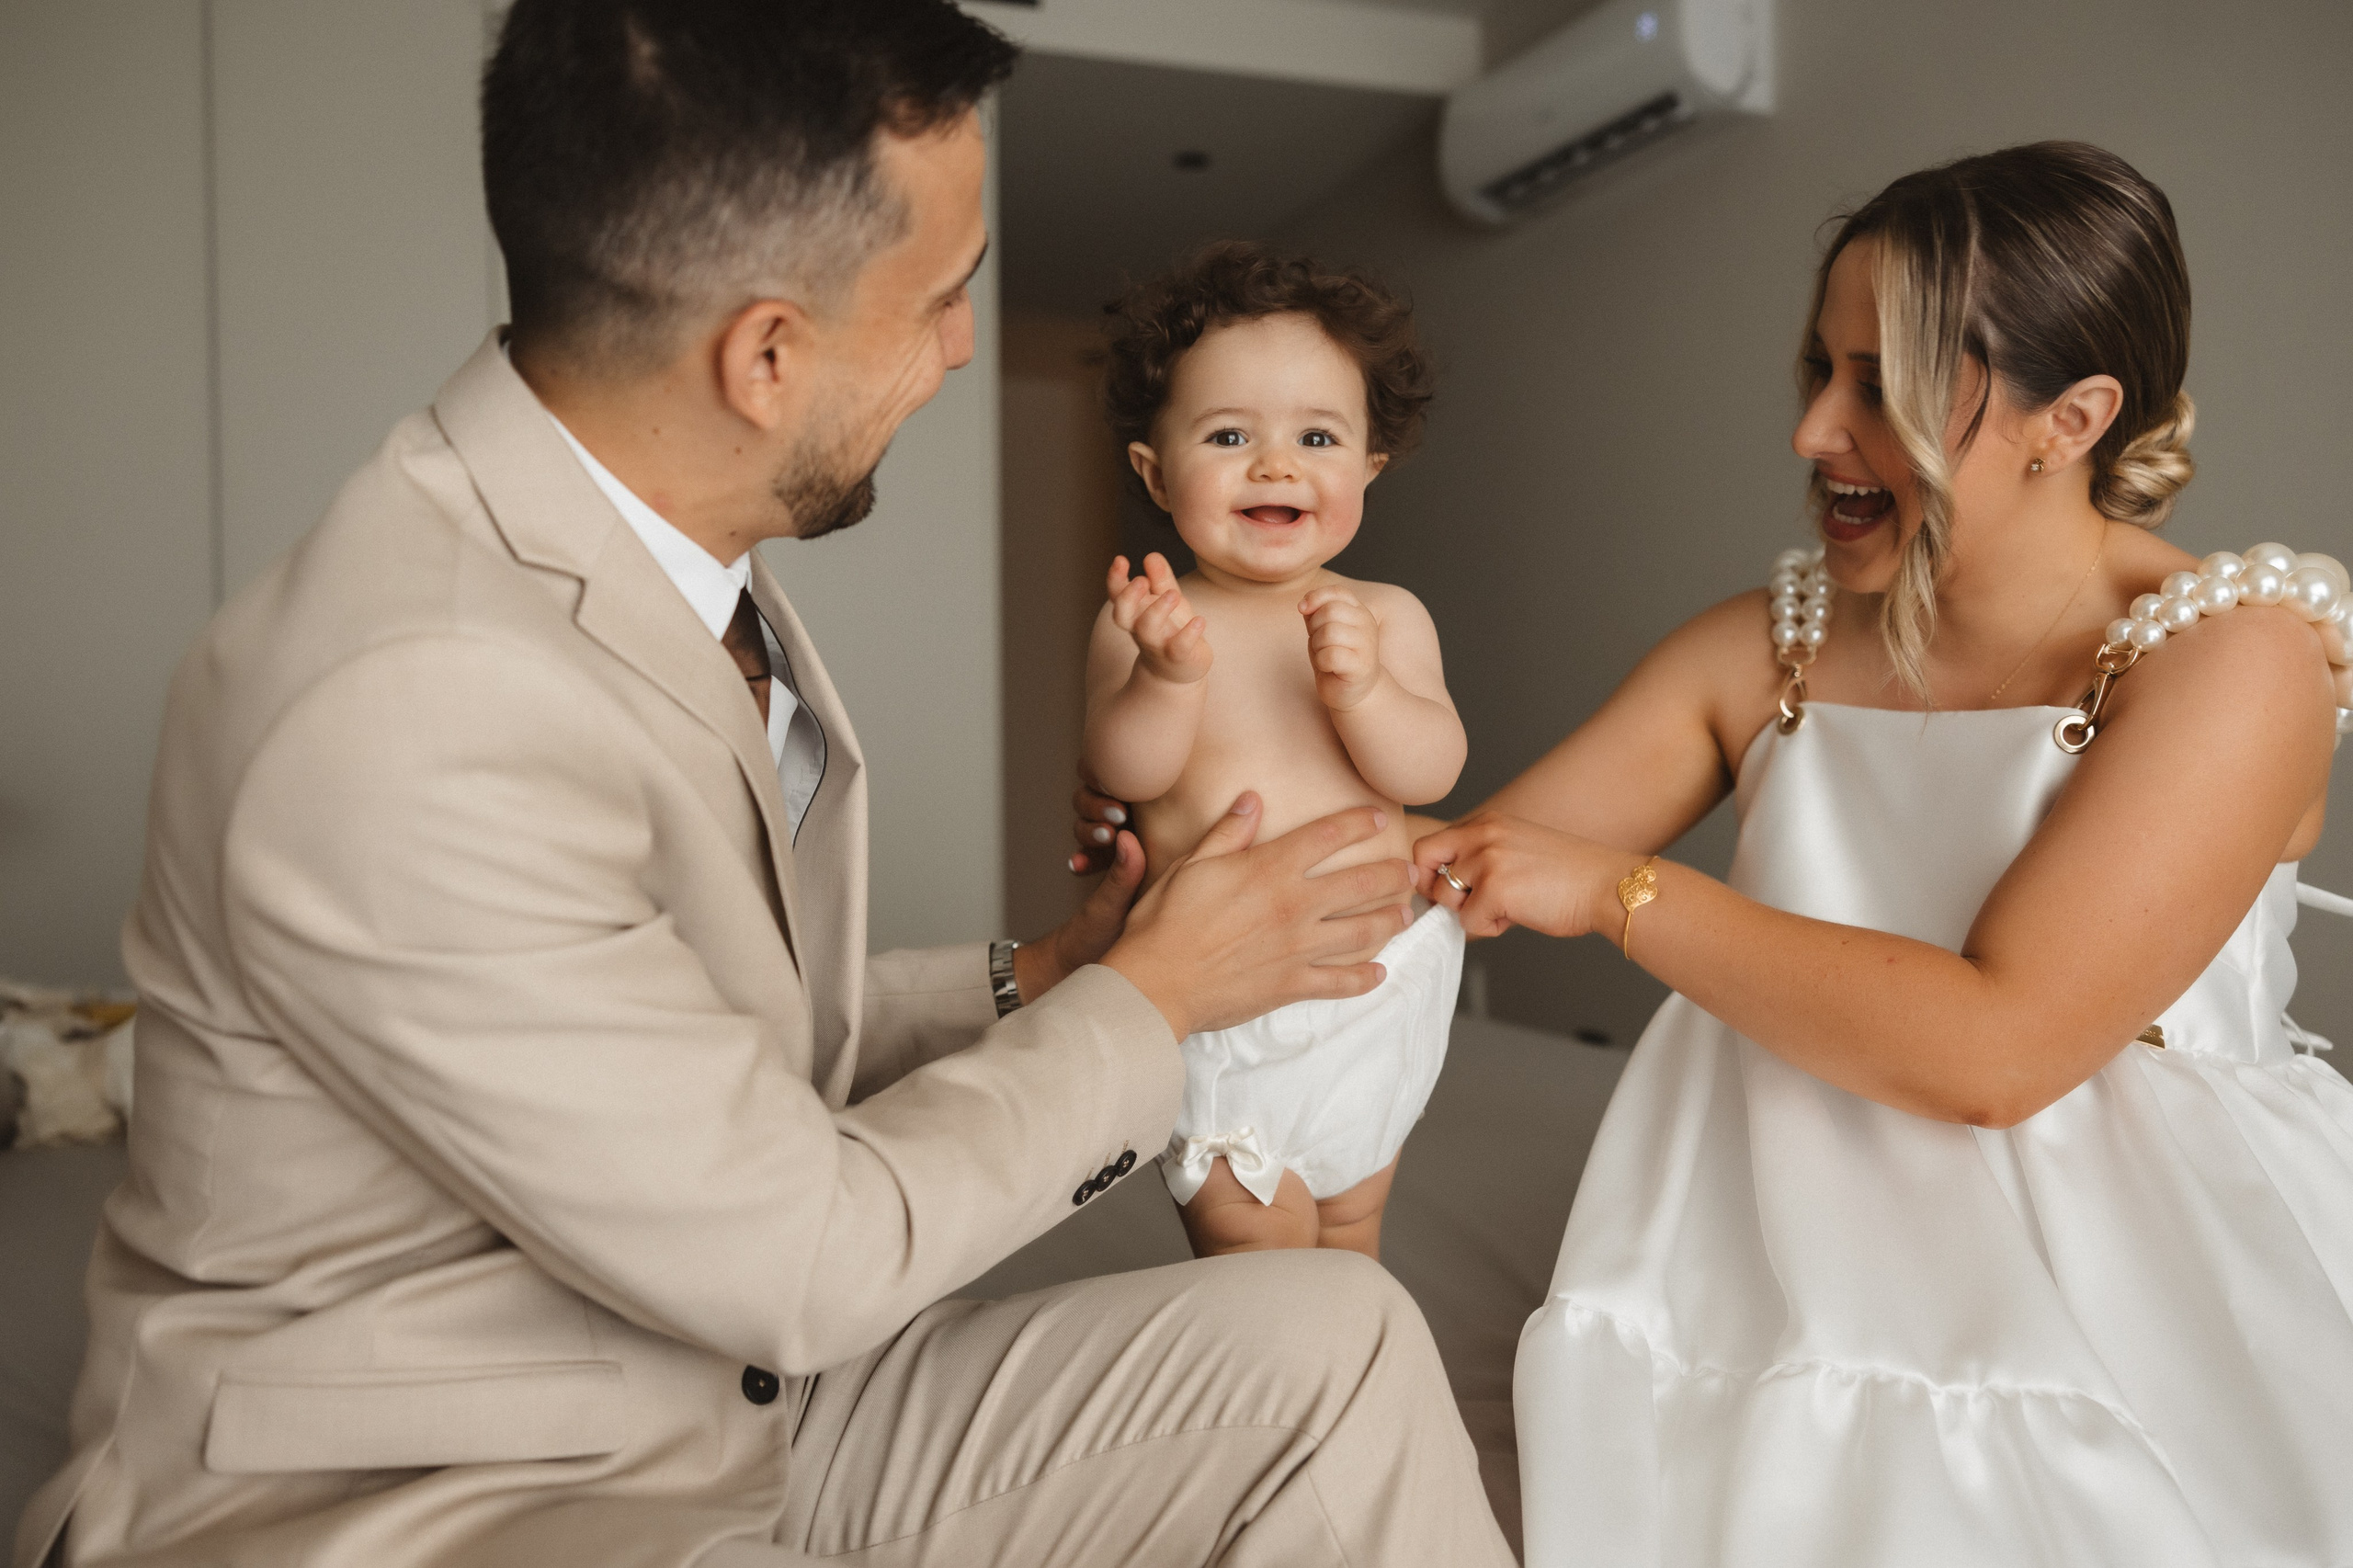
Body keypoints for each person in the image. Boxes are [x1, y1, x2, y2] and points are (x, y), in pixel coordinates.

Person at [10, 5, 1516, 1565]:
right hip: (448, 1486)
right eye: (944, 298)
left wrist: (1045, 972)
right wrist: (1160, 997)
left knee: (1338, 1341)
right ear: (768, 356)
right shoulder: (405, 704)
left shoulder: (657, 551)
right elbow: (799, 1251)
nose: (961, 347)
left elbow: (668, 1029)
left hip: (717, 1380)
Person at [1405, 142, 2353, 1566]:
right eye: (1817, 369)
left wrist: (1619, 894)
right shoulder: (1768, 643)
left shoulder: (2234, 661)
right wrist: (1192, 819)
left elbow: (1999, 1052)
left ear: (2071, 418)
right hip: (1776, 1241)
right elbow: (1469, 866)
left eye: (1880, 387)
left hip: (2132, 1269)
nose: (1811, 432)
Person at [1086, 245, 1467, 1261]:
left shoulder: (1386, 615)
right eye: (1228, 435)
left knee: (1351, 1233)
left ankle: (1352, 1359)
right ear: (1155, 473)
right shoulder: (1151, 621)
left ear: (1368, 468)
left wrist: (1367, 692)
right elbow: (1126, 773)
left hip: (1370, 989)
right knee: (1260, 1261)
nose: (1276, 465)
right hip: (1223, 995)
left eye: (1316, 436)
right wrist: (1167, 678)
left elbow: (1431, 771)